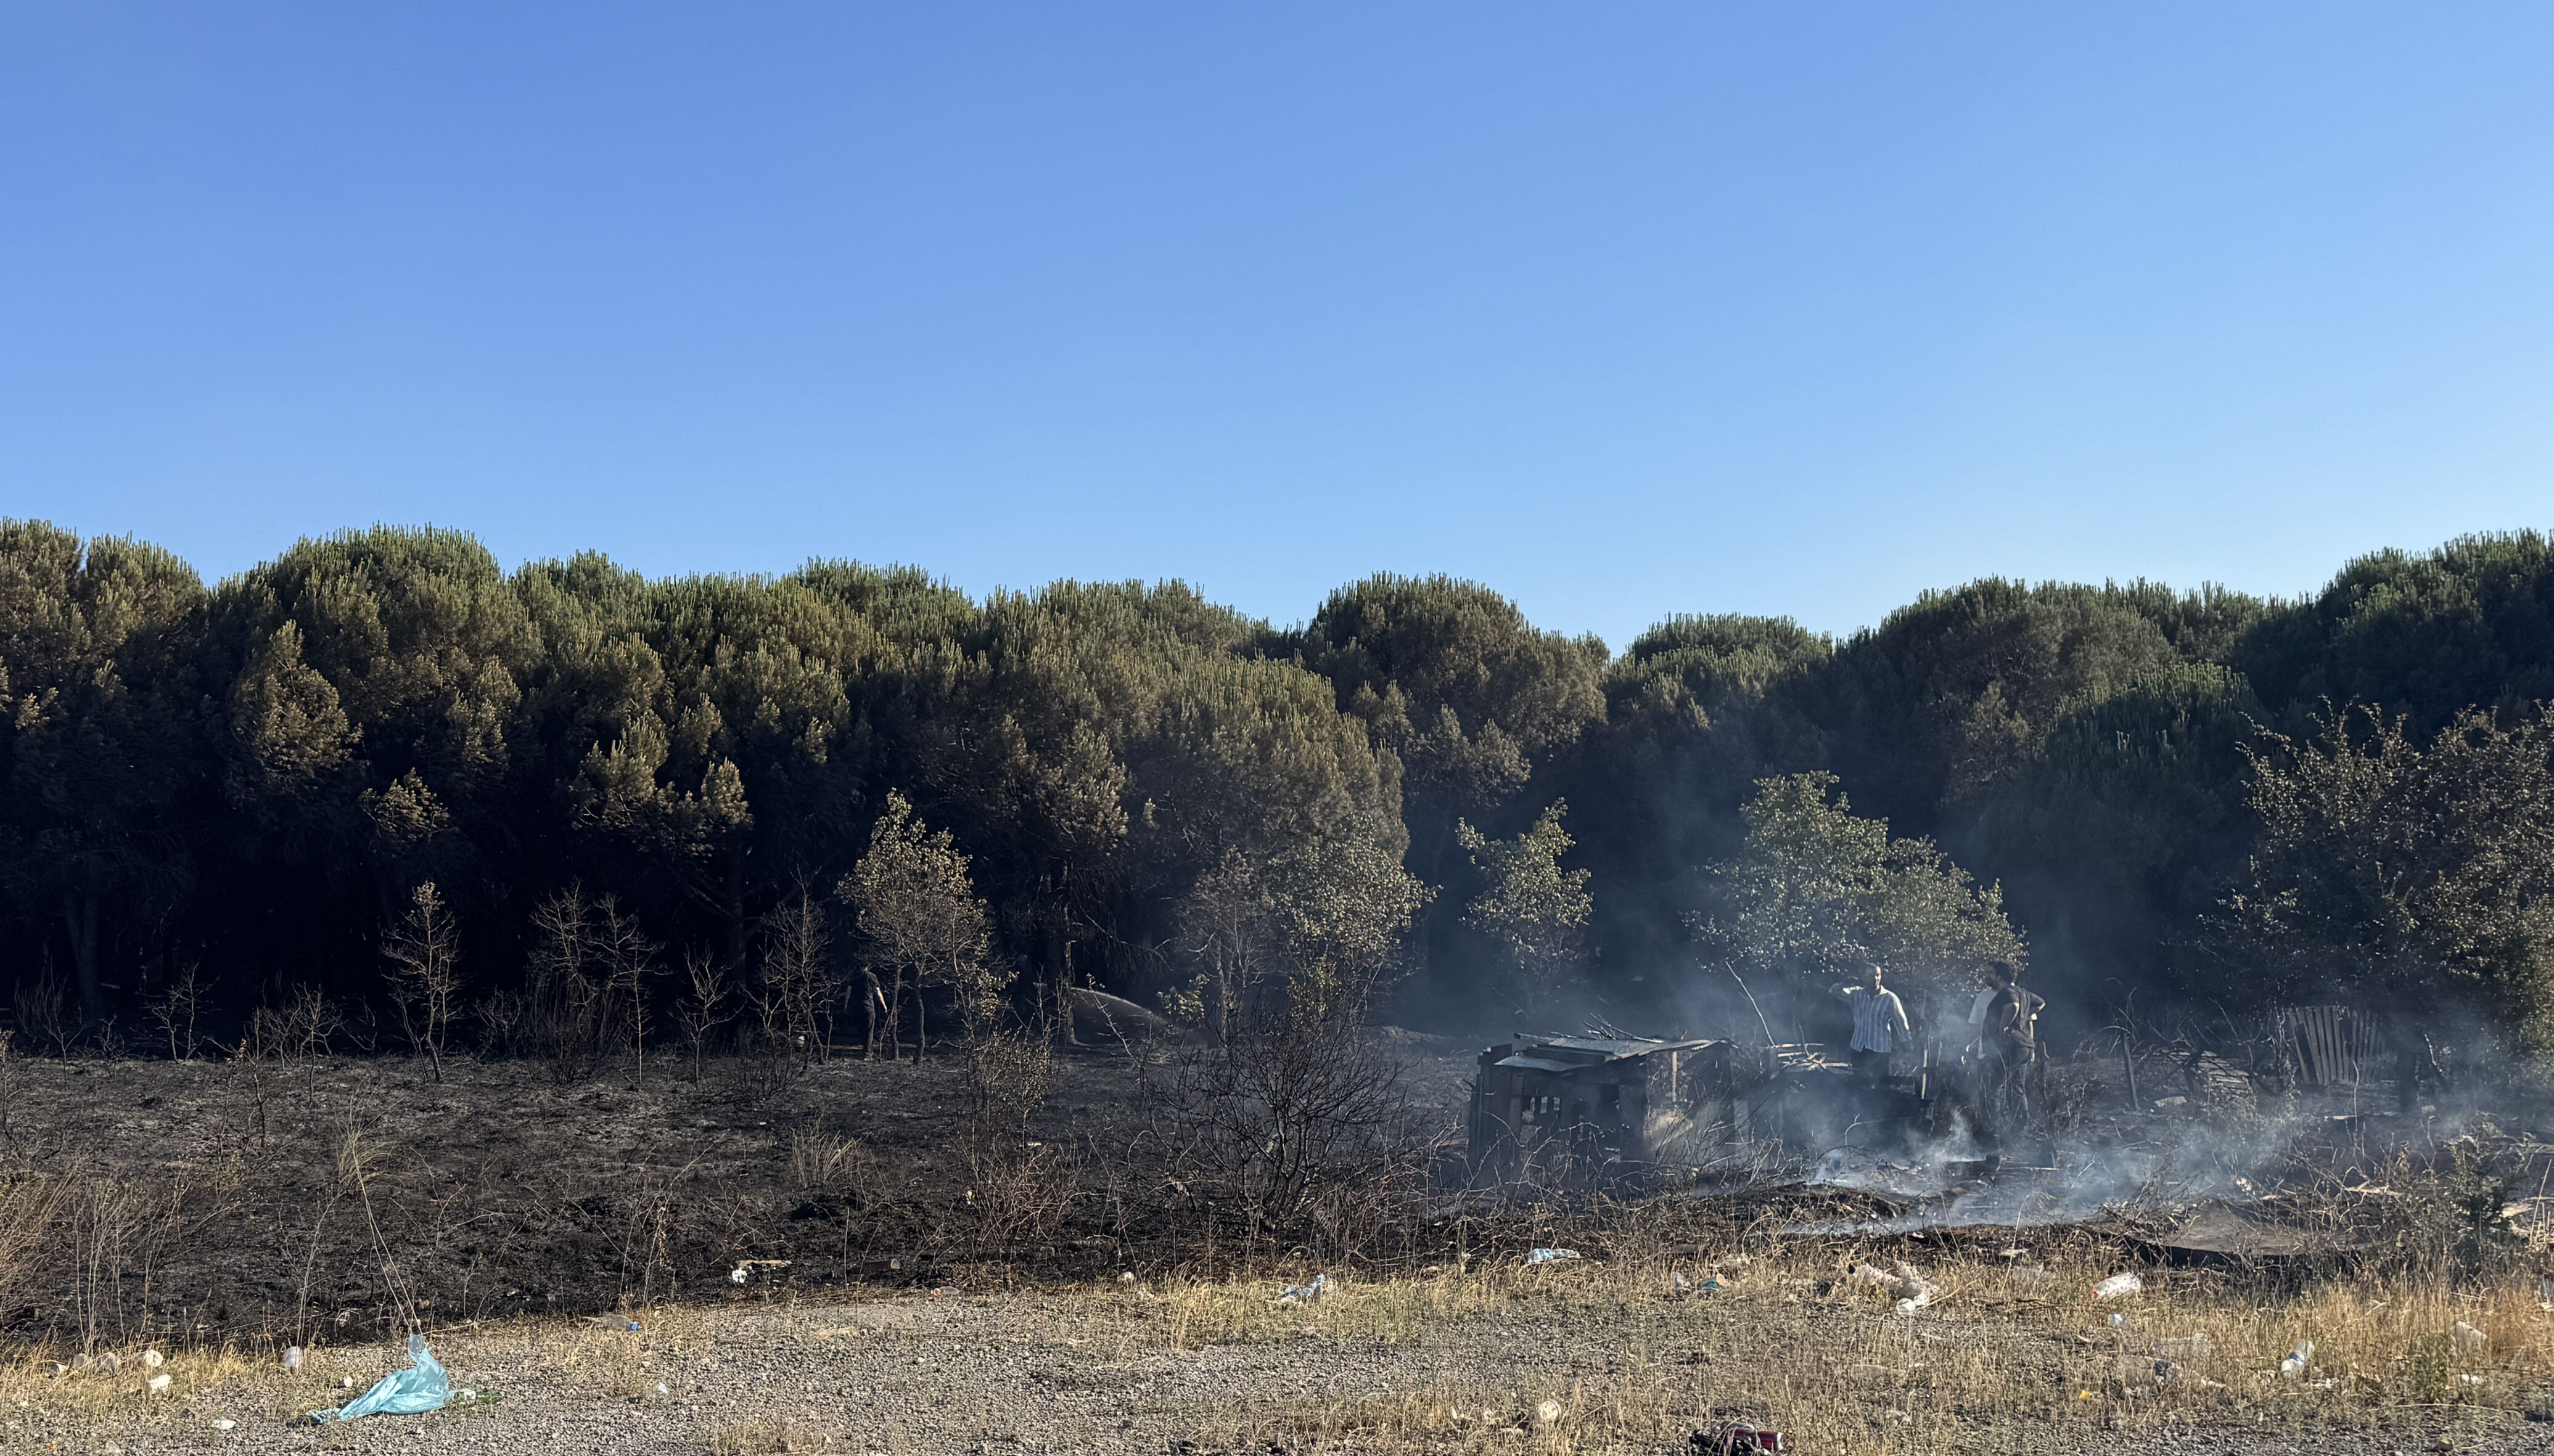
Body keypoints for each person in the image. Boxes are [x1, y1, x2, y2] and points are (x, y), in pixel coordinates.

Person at [1979, 959, 2043, 1134]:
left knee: (1993, 1087)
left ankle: (1993, 1132)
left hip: (2010, 1046)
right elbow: (2040, 1003)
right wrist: (2023, 1016)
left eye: (1991, 973)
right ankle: (2019, 1130)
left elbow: (2013, 1006)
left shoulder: (2007, 992)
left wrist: (2004, 1026)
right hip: (2024, 1046)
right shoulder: (2023, 992)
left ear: (2000, 977)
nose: (1987, 977)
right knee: (2017, 1088)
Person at [1831, 962, 1911, 1090]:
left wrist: (1907, 1042)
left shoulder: (1889, 998)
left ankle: (1880, 1110)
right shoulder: (1857, 995)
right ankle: (1861, 1110)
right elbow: (1834, 992)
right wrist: (1844, 984)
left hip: (1880, 1050)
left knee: (1881, 1087)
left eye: (1878, 975)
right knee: (1860, 1086)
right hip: (1859, 1048)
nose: (1875, 979)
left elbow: (1901, 1022)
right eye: (1870, 976)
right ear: (1863, 977)